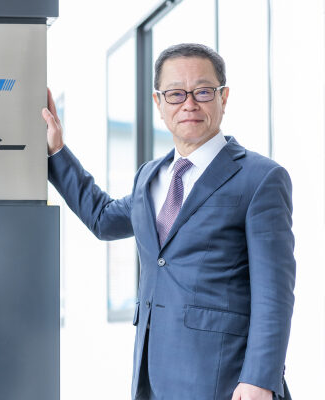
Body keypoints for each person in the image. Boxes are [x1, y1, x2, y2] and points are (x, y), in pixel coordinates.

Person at [42, 43, 295, 400]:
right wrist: (56, 151)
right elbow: (102, 218)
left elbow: (274, 293)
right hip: (154, 375)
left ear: (223, 98)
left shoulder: (260, 178)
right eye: (175, 94)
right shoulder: (150, 177)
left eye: (203, 91)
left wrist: (259, 379)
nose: (189, 104)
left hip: (225, 379)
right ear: (158, 103)